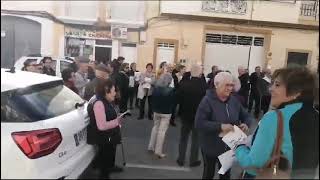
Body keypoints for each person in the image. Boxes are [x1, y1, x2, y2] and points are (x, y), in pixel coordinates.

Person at [235, 67, 319, 179]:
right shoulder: (316, 115)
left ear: (296, 92)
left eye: (277, 85)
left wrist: (239, 147)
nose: (271, 89)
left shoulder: (274, 118)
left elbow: (253, 164)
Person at [195, 71, 253, 179]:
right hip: (210, 146)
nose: (230, 88)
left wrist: (246, 123)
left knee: (225, 175)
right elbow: (199, 123)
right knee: (209, 174)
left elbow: (247, 116)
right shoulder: (207, 101)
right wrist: (220, 126)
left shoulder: (234, 101)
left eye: (231, 85)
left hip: (229, 146)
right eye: (227, 85)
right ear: (217, 85)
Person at [87, 79, 124, 178]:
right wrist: (116, 121)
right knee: (105, 161)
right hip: (104, 138)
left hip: (109, 136)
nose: (115, 93)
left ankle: (106, 168)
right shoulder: (99, 103)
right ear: (106, 90)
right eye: (113, 91)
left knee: (108, 157)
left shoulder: (105, 100)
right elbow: (102, 125)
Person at [176, 64, 208, 167]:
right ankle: (193, 160)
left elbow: (178, 98)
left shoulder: (184, 84)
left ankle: (181, 159)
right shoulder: (204, 86)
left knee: (183, 138)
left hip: (185, 114)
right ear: (200, 73)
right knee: (196, 139)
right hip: (198, 116)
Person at [148, 73, 176, 158]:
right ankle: (158, 151)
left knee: (155, 127)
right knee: (162, 131)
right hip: (166, 112)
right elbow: (174, 102)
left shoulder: (156, 88)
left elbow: (152, 99)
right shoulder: (172, 90)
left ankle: (151, 146)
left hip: (156, 110)